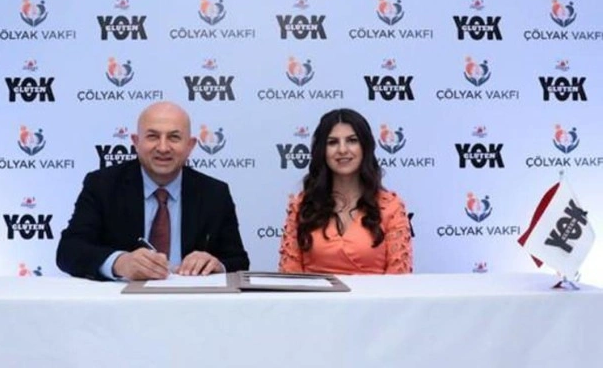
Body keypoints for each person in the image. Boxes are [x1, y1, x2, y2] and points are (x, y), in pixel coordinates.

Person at [56, 101, 249, 281]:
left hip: (191, 301)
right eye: (153, 136)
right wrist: (119, 263)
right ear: (136, 142)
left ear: (190, 146)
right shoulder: (102, 185)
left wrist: (217, 265)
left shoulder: (215, 193)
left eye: (174, 137)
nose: (163, 148)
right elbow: (69, 250)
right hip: (121, 302)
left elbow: (238, 261)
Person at [278, 108, 412, 274]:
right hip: (312, 292)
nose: (342, 149)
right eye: (332, 142)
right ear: (322, 151)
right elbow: (290, 274)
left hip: (376, 292)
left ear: (365, 147)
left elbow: (398, 279)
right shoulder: (302, 205)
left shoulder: (391, 207)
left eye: (352, 141)